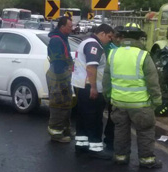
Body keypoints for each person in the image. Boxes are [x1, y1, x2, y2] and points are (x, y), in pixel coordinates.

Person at [103, 25, 163, 168]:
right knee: (145, 132)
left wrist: (108, 96)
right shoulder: (143, 55)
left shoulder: (113, 54)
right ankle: (147, 160)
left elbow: (106, 79)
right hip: (140, 104)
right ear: (139, 38)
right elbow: (152, 81)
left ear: (122, 37)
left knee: (121, 131)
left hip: (119, 102)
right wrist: (156, 100)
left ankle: (121, 157)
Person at [72, 24, 114, 159]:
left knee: (83, 117)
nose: (110, 40)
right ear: (101, 33)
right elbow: (91, 67)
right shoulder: (93, 45)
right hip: (90, 87)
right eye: (109, 36)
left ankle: (81, 144)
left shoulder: (85, 42)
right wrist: (94, 87)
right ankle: (95, 147)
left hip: (81, 85)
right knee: (94, 118)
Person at [46, 16, 74, 143]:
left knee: (66, 103)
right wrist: (62, 77)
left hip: (62, 75)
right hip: (58, 77)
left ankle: (64, 129)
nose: (71, 29)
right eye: (69, 27)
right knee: (58, 104)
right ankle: (56, 133)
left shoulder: (62, 38)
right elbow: (57, 61)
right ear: (62, 27)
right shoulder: (57, 41)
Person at [102, 29, 121, 152]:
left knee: (112, 118)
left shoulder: (113, 48)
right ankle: (110, 142)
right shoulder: (112, 49)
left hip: (114, 90)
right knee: (114, 119)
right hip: (116, 90)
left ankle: (110, 141)